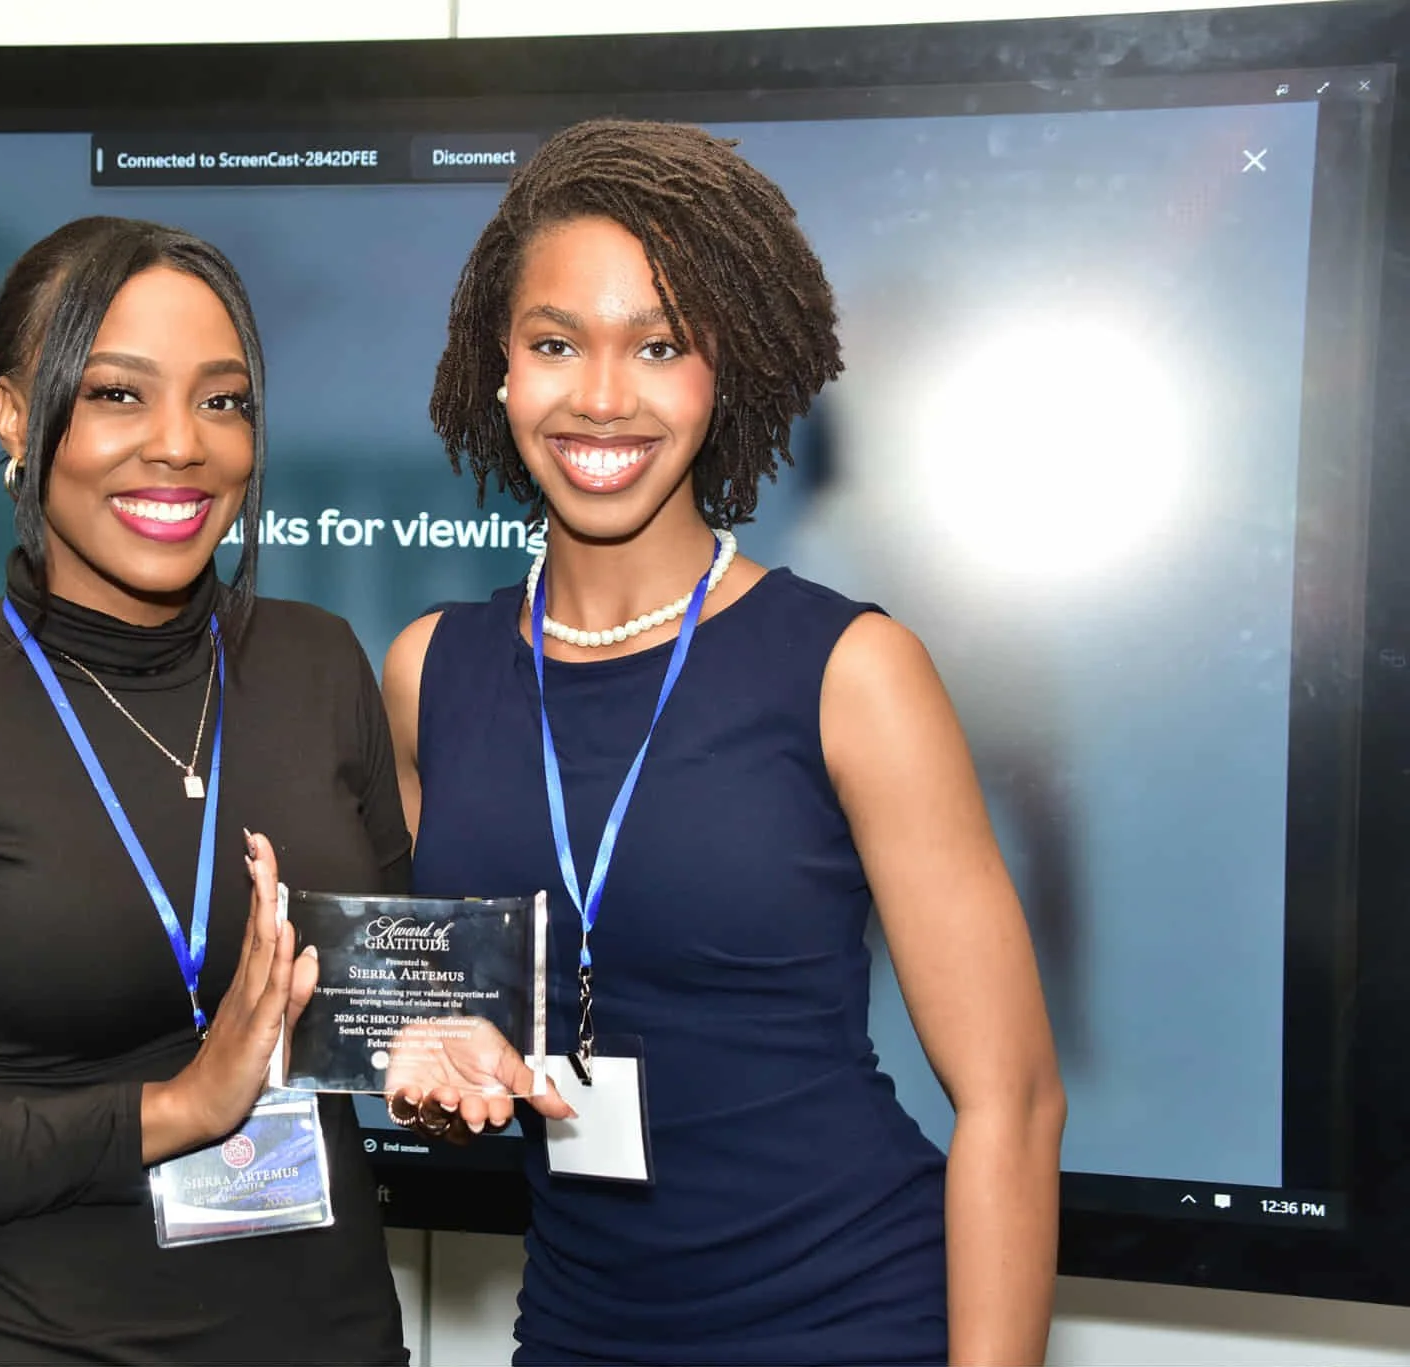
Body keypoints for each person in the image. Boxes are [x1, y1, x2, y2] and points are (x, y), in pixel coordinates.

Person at [383, 119, 1066, 1366]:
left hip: (850, 1313)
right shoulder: (430, 668)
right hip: (580, 1326)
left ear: (724, 369)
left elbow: (1011, 1104)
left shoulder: (851, 670)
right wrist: (432, 1082)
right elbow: (450, 1056)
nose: (600, 395)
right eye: (553, 343)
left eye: (658, 345)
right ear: (498, 365)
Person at [0, 216, 410, 1365]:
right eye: (117, 394)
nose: (180, 446)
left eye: (223, 401)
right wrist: (174, 1107)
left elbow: (382, 1009)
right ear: (15, 412)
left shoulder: (319, 665)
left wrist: (454, 1059)